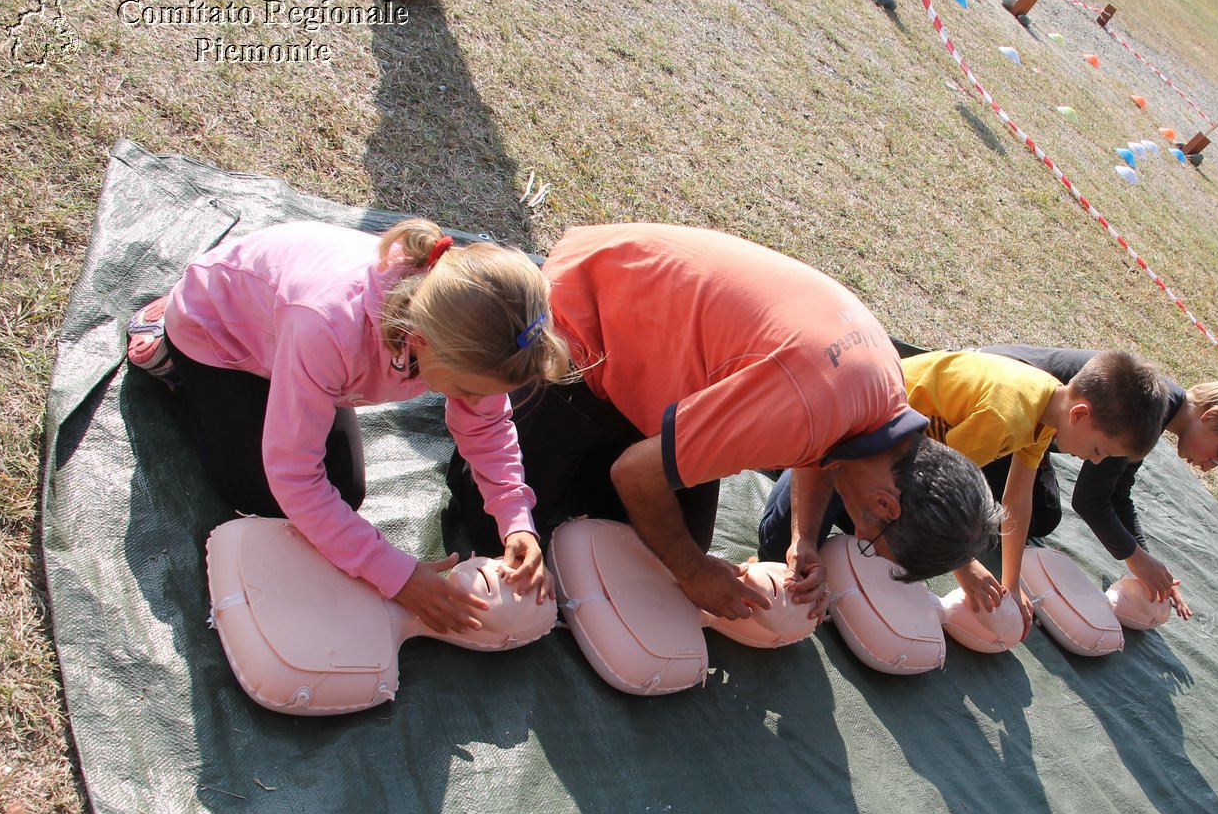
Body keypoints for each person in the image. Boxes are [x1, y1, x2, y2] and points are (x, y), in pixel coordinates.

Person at [445, 223, 1002, 622]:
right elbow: (638, 475)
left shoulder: (882, 402)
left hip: (669, 364)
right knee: (506, 524)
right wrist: (691, 570)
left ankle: (587, 455)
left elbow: (829, 451)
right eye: (870, 537)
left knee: (670, 545)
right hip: (586, 321)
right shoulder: (803, 408)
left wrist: (803, 539)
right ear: (886, 505)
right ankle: (517, 433)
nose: (856, 535)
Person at [127, 219, 567, 634]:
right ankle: (171, 347)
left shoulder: (454, 327)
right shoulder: (330, 328)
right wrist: (395, 574)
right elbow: (294, 478)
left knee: (342, 492)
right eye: (468, 388)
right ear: (420, 340)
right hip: (218, 332)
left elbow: (487, 427)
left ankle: (293, 386)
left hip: (295, 344)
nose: (475, 401)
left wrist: (516, 520)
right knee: (258, 491)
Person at [758, 348, 1170, 637]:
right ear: (1080, 415)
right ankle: (788, 461)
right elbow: (928, 495)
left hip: (894, 463)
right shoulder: (1004, 416)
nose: (1095, 462)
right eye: (1099, 451)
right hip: (857, 435)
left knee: (885, 540)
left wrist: (1012, 584)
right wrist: (965, 566)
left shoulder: (1047, 410)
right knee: (779, 547)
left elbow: (1017, 500)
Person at [974, 345, 1218, 619]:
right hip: (989, 404)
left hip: (1028, 439)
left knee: (1042, 517)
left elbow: (1118, 493)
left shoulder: (1162, 406)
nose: (1208, 467)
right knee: (988, 512)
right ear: (1213, 416)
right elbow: (1090, 499)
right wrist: (1136, 559)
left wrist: (1146, 558)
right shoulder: (1146, 409)